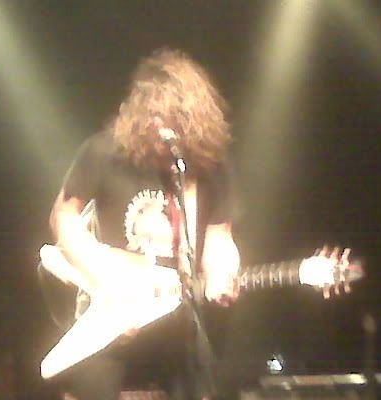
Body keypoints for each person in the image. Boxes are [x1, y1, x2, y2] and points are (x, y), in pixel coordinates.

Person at [46, 48, 241, 400]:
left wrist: (222, 273)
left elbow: (220, 236)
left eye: (174, 120)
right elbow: (64, 218)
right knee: (89, 387)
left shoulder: (209, 167)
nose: (161, 128)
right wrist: (105, 278)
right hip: (111, 312)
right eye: (154, 116)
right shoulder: (106, 152)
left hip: (177, 314)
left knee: (206, 385)